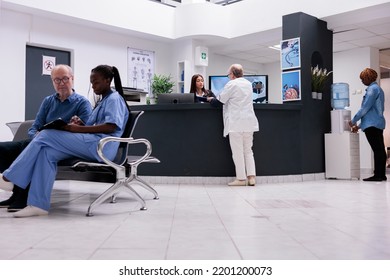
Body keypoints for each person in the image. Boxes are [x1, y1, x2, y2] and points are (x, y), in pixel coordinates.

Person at [0, 65, 129, 217]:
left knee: (46, 134)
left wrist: (74, 129)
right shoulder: (103, 100)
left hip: (102, 147)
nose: (93, 86)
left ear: (108, 81)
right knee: (46, 153)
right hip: (92, 143)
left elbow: (110, 126)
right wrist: (81, 124)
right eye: (91, 83)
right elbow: (95, 126)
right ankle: (38, 205)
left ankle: (9, 177)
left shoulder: (114, 99)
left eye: (96, 82)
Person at [0, 64, 92, 212]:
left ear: (72, 79)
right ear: (53, 82)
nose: (61, 83)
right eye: (57, 80)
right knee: (4, 149)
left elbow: (86, 133)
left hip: (61, 146)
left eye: (65, 79)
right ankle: (15, 192)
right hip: (39, 140)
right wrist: (36, 135)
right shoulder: (48, 101)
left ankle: (22, 197)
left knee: (29, 147)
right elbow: (34, 127)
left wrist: (74, 127)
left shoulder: (82, 103)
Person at [208, 64, 259, 186]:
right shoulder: (248, 84)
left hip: (236, 122)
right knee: (248, 150)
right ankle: (251, 178)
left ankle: (241, 179)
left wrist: (210, 99)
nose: (228, 76)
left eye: (228, 74)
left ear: (232, 74)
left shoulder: (231, 84)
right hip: (248, 122)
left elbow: (219, 102)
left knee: (237, 152)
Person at [349, 67, 387, 182]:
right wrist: (359, 126)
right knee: (380, 149)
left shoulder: (371, 90)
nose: (362, 81)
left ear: (367, 78)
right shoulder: (379, 89)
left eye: (362, 79)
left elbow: (365, 108)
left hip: (372, 125)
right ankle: (382, 174)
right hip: (378, 123)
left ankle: (378, 175)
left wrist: (354, 120)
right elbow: (372, 112)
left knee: (377, 150)